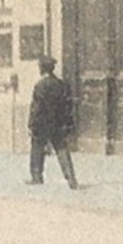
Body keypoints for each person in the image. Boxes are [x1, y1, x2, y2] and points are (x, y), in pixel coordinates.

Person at [27, 56, 80, 190]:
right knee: (62, 149)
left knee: (37, 148)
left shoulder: (40, 86)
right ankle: (71, 177)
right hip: (58, 122)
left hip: (43, 123)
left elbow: (36, 108)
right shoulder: (62, 85)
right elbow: (68, 105)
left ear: (41, 69)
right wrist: (67, 122)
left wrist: (31, 125)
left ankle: (36, 176)